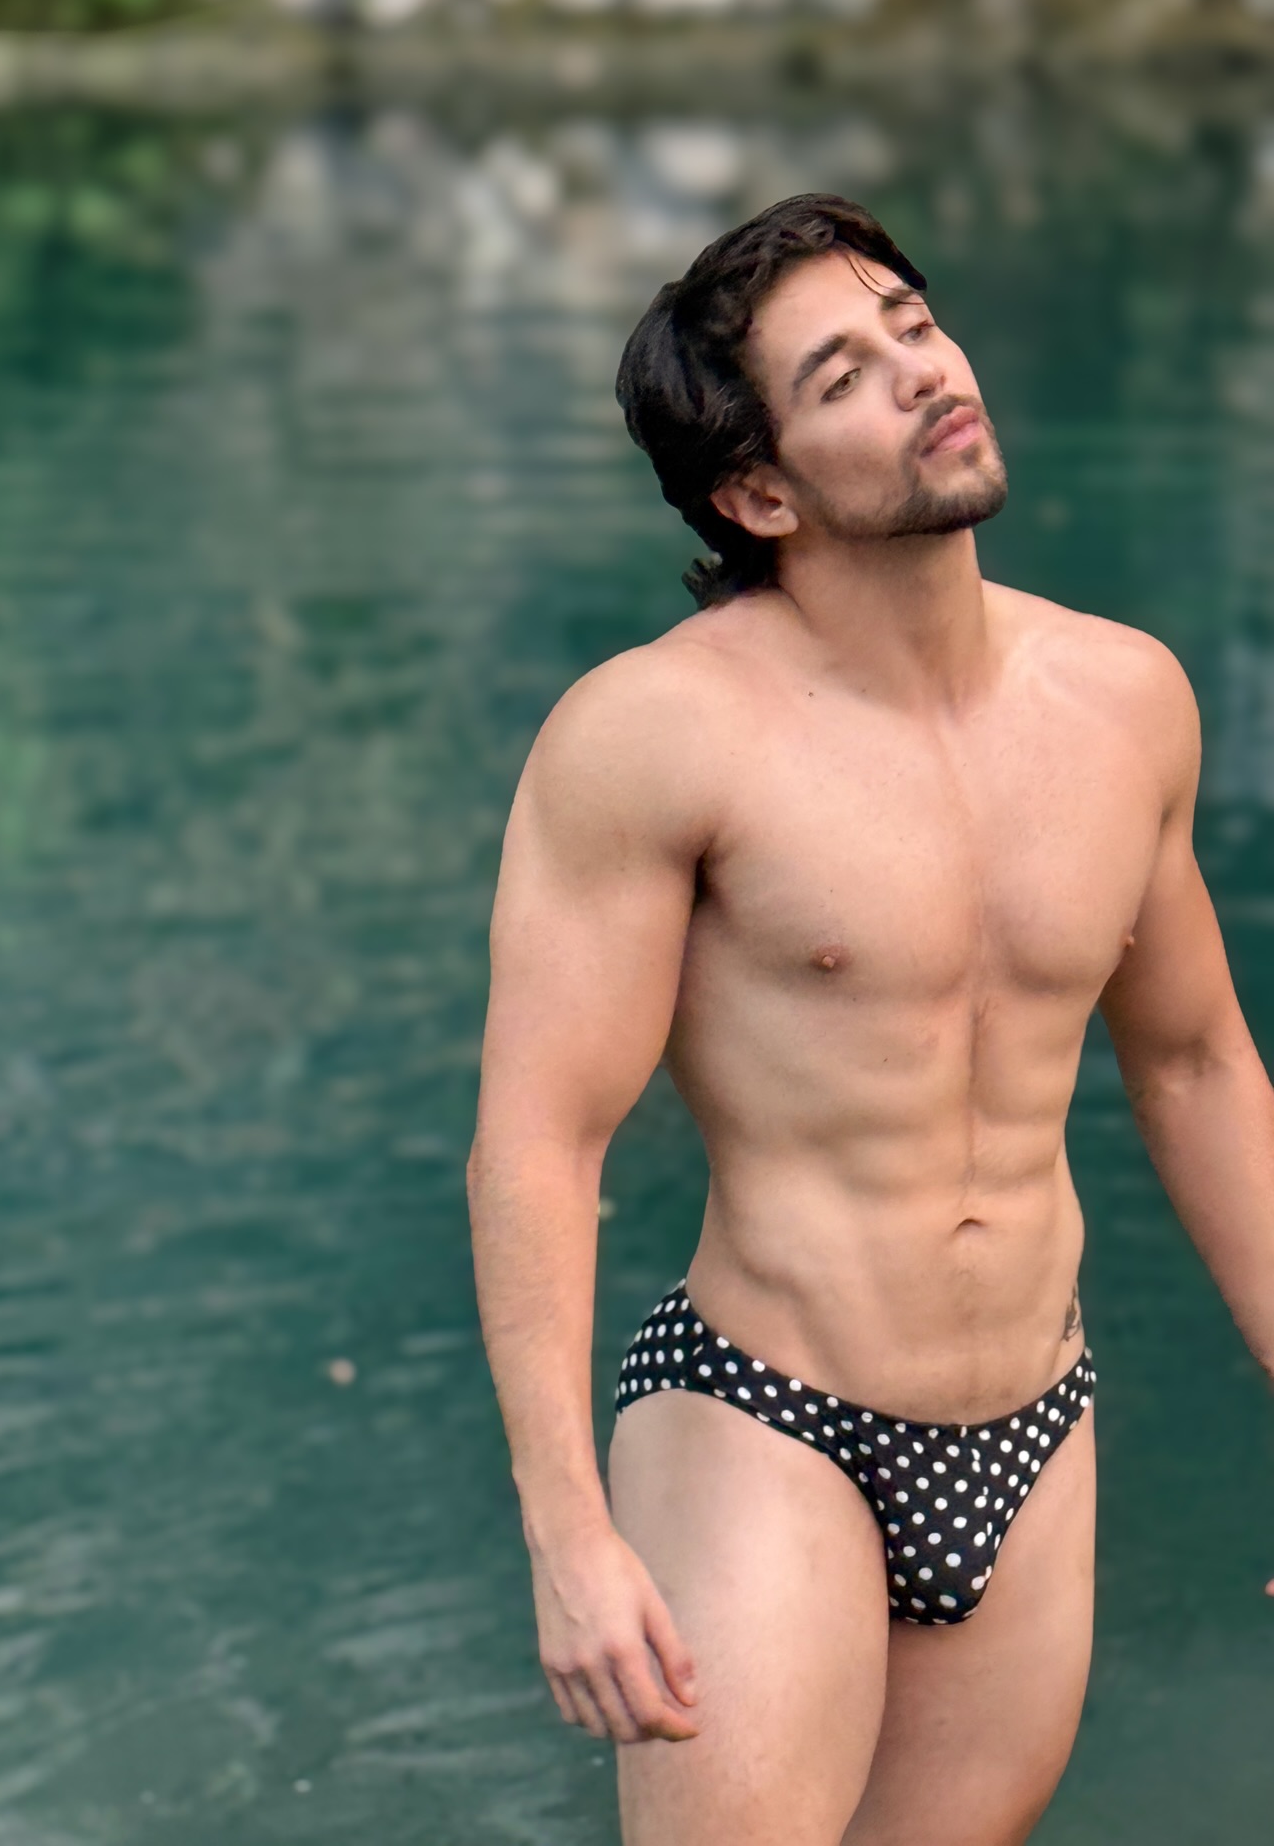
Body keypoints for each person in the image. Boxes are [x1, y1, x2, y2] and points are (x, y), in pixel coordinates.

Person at [466, 193, 1274, 1845]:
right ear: (758, 493)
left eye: (913, 323)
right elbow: (541, 1141)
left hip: (1034, 1425)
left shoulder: (1126, 701)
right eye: (841, 375)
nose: (921, 372)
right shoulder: (656, 737)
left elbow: (1196, 1064)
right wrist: (567, 1531)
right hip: (770, 1414)